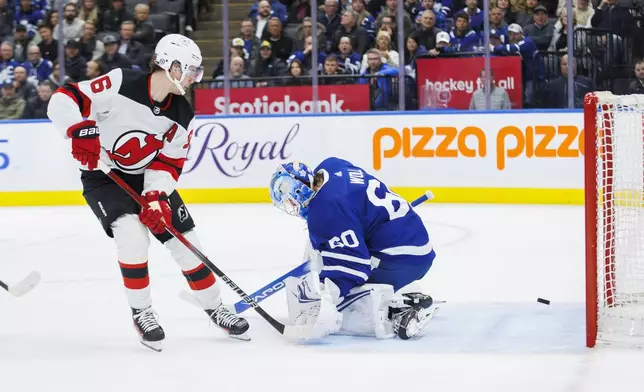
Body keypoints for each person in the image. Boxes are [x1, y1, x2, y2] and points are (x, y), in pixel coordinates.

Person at [46, 34, 250, 352]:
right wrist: (78, 129)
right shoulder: (120, 81)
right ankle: (142, 312)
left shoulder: (183, 113)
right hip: (104, 177)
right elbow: (64, 98)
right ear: (171, 65)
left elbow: (169, 162)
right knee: (132, 239)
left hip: (147, 180)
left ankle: (215, 307)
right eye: (190, 70)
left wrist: (155, 196)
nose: (194, 78)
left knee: (187, 244)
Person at [269, 158, 436, 340]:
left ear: (299, 190)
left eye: (292, 201)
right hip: (413, 243)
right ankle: (401, 288)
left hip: (402, 258)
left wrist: (326, 295)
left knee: (347, 309)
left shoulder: (326, 207)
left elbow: (354, 268)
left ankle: (396, 312)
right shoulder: (332, 166)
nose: (294, 206)